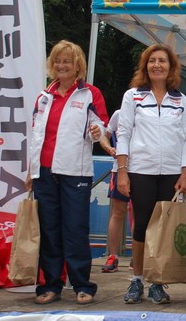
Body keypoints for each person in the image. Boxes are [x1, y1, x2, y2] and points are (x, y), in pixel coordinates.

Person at [26, 40, 109, 305]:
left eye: (67, 61)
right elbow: (35, 136)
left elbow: (101, 125)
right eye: (58, 61)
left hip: (75, 171)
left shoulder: (90, 94)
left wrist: (98, 132)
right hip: (44, 173)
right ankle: (50, 285)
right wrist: (31, 170)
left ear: (77, 66)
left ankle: (82, 285)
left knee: (74, 229)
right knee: (49, 230)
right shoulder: (43, 96)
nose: (62, 65)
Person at [115, 43, 186, 305]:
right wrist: (123, 172)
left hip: (171, 174)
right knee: (142, 228)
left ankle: (158, 282)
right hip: (141, 171)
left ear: (171, 67)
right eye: (152, 61)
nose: (157, 65)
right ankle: (137, 280)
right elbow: (123, 134)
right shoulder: (132, 96)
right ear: (145, 66)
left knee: (163, 230)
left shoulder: (180, 99)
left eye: (162, 61)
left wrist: (185, 174)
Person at [99, 110, 132, 273]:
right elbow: (104, 136)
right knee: (117, 212)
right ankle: (113, 256)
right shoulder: (119, 114)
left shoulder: (151, 111)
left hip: (144, 169)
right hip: (119, 168)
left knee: (141, 213)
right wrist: (110, 149)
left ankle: (139, 255)